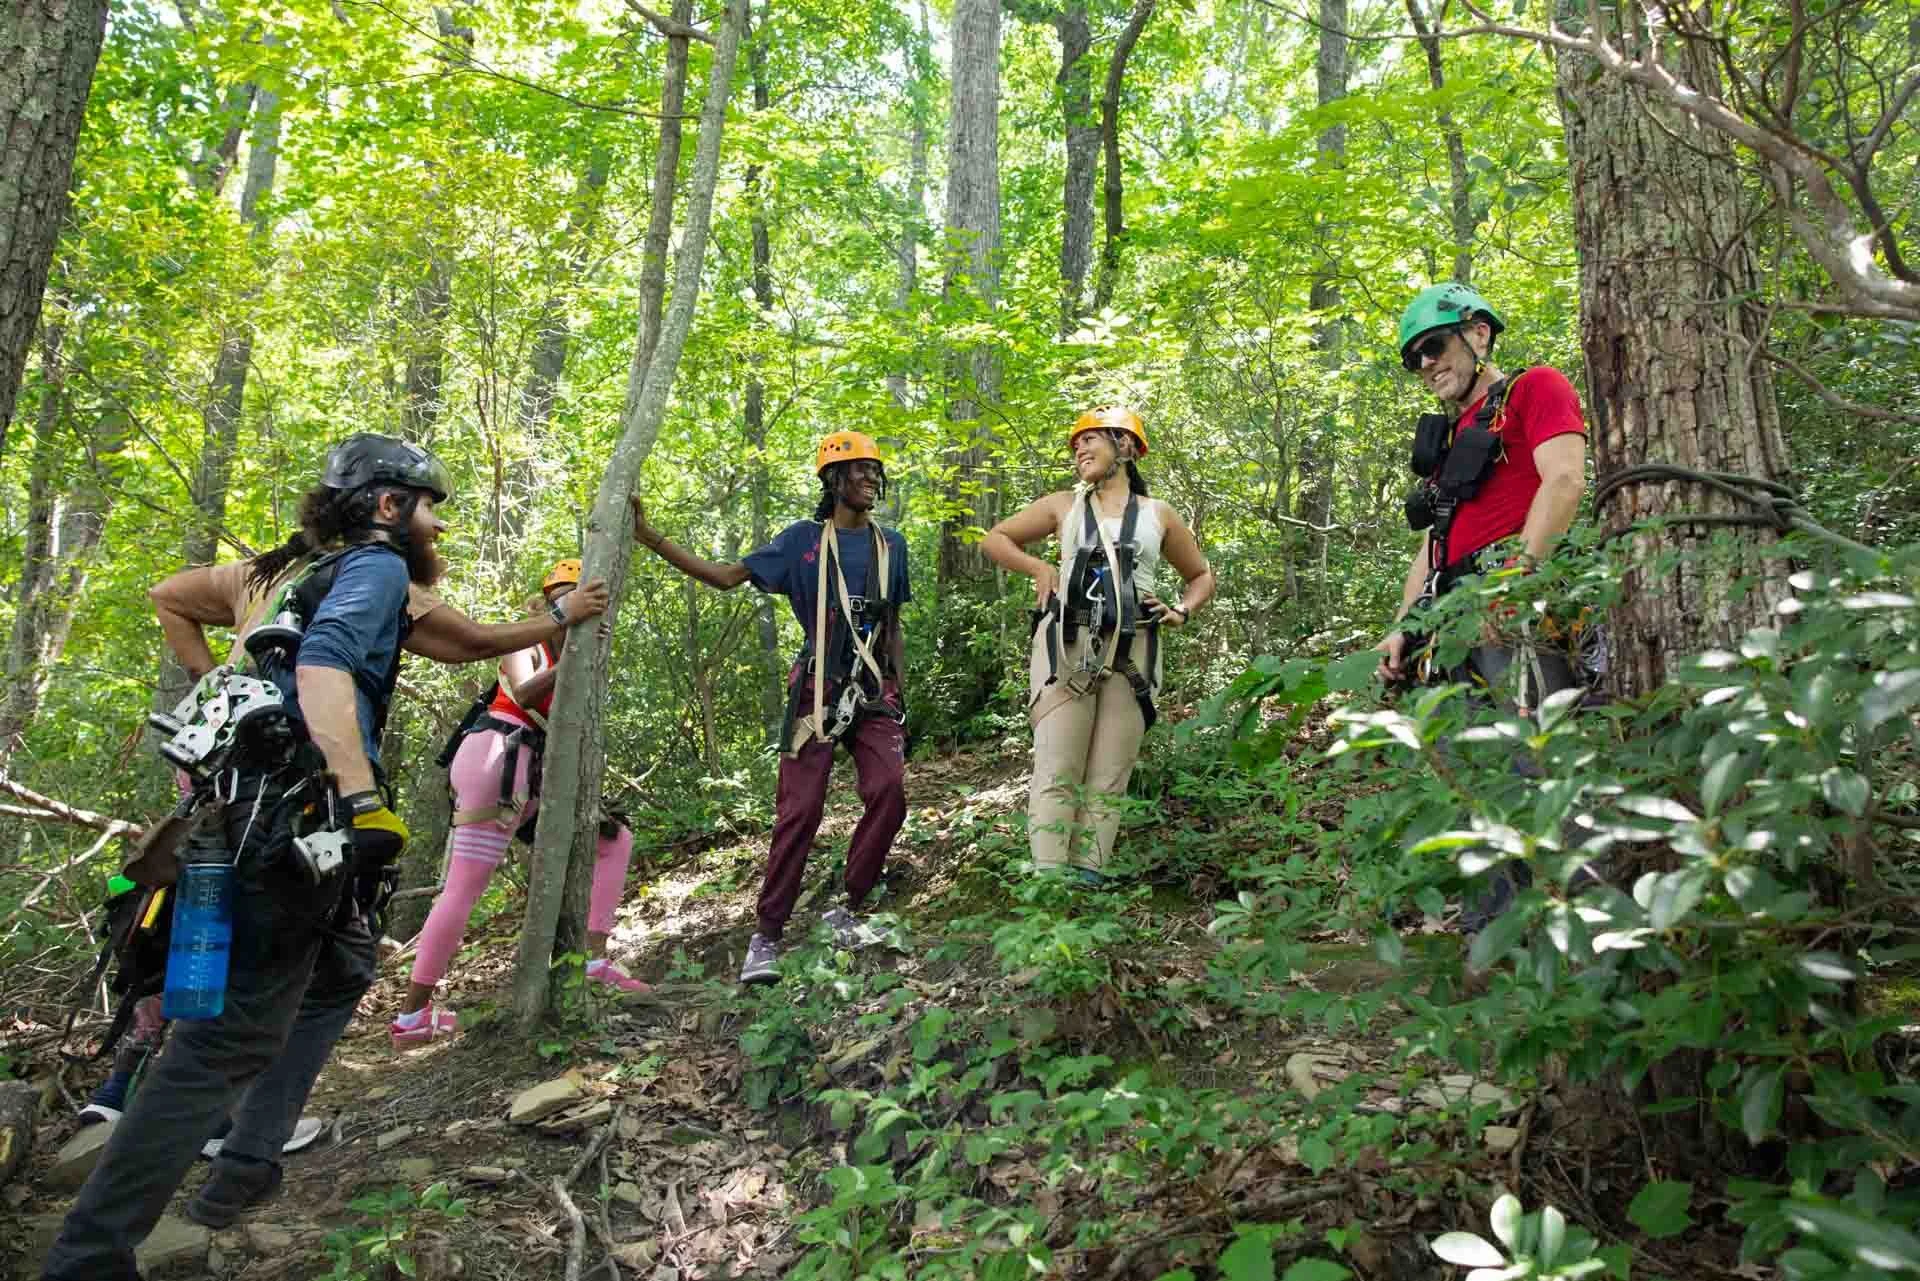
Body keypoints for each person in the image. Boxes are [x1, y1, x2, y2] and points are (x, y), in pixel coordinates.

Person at [42, 433, 466, 1279]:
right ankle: (91, 1255)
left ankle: (245, 1165)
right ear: (388, 506)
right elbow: (324, 668)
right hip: (289, 825)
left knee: (342, 966)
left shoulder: (308, 575)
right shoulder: (377, 568)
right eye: (427, 507)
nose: (434, 528)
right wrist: (361, 799)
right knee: (221, 1044)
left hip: (240, 819)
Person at [632, 430, 910, 984]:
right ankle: (768, 935)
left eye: (874, 471)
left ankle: (850, 905)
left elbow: (893, 624)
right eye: (858, 471)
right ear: (833, 481)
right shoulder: (802, 542)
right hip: (817, 690)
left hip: (873, 689)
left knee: (890, 790)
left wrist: (898, 694)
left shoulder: (891, 545)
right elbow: (726, 578)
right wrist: (650, 538)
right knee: (800, 812)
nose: (870, 480)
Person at [391, 559, 648, 1047]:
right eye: (565, 596)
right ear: (550, 600)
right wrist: (573, 645)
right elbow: (526, 690)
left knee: (613, 839)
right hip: (498, 758)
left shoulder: (574, 649)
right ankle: (411, 1016)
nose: (574, 604)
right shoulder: (530, 639)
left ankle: (593, 961)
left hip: (531, 771)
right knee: (465, 887)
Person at [982, 407, 1215, 880]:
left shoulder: (1158, 515)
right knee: (1057, 765)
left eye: (1092, 440)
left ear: (1125, 447)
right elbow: (996, 539)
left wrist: (1181, 611)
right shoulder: (1062, 506)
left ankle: (1089, 882)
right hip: (1068, 650)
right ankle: (1049, 885)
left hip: (1134, 652)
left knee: (1110, 773)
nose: (1080, 450)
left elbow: (1200, 575)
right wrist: (1041, 569)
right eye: (1076, 444)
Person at [1372, 282, 1587, 696]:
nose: (1426, 365)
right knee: (1463, 755)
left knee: (1531, 751)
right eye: (1413, 359)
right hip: (1447, 617)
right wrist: (1403, 625)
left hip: (1507, 600)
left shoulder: (1535, 386)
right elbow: (1435, 543)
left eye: (1433, 346)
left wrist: (1513, 583)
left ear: (1479, 333)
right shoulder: (1453, 439)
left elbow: (1565, 480)